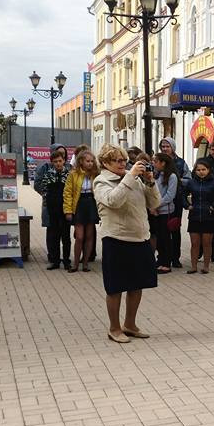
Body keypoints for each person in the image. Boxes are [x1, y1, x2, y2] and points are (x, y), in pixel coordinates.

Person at [93, 144, 161, 343]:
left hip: (140, 237)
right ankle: (114, 328)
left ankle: (130, 324)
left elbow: (155, 204)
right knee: (115, 287)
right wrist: (130, 177)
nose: (123, 164)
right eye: (117, 160)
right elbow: (114, 201)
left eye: (124, 160)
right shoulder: (101, 181)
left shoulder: (134, 179)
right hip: (116, 239)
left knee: (137, 284)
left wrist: (150, 183)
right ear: (105, 163)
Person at [185, 159, 214, 274]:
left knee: (207, 243)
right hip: (194, 216)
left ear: (208, 170)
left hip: (208, 216)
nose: (201, 172)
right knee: (194, 243)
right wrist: (187, 205)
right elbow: (181, 194)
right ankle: (193, 266)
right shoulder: (191, 182)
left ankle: (206, 266)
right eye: (198, 170)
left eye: (203, 169)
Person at [62, 150, 100, 272]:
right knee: (79, 236)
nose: (90, 163)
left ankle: (85, 263)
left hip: (91, 204)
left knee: (89, 235)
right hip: (79, 204)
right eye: (87, 161)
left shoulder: (96, 174)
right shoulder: (73, 174)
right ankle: (75, 264)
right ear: (81, 161)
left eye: (91, 161)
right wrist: (68, 210)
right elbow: (67, 193)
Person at [34, 148, 72, 270]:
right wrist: (47, 201)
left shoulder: (69, 174)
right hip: (52, 209)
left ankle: (66, 261)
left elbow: (71, 191)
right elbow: (43, 189)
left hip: (65, 209)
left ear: (64, 161)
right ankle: (55, 261)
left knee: (66, 236)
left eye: (60, 161)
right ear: (52, 162)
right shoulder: (48, 174)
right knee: (54, 236)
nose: (58, 164)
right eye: (55, 162)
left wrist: (69, 209)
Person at [159, 137, 191, 268]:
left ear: (173, 147)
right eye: (163, 146)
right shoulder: (158, 160)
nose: (165, 149)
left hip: (177, 200)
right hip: (161, 201)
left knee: (174, 228)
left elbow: (189, 180)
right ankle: (162, 257)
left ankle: (175, 258)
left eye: (167, 146)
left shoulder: (181, 163)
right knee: (162, 231)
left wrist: (177, 180)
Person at [151, 153, 178, 274]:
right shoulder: (155, 175)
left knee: (165, 238)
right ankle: (160, 259)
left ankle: (166, 263)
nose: (153, 163)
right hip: (154, 211)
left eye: (156, 161)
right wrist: (152, 206)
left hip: (165, 212)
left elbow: (169, 196)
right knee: (158, 238)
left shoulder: (172, 177)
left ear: (163, 163)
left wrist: (156, 205)